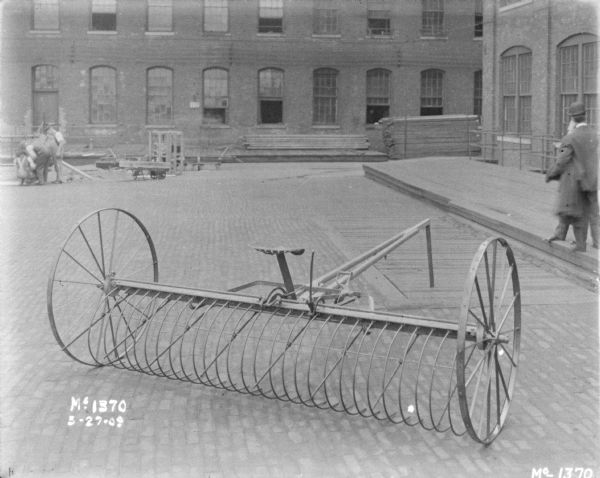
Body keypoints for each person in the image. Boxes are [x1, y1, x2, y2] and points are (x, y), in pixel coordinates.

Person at [559, 102, 599, 249]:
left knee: (575, 211)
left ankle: (578, 243)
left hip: (577, 181)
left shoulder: (571, 137)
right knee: (594, 213)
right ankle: (598, 243)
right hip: (593, 180)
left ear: (573, 119)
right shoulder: (593, 134)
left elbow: (563, 158)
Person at [545, 135, 588, 252]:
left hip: (571, 180)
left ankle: (579, 243)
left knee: (571, 209)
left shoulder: (568, 140)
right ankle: (574, 240)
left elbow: (561, 160)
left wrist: (550, 174)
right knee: (575, 210)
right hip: (582, 178)